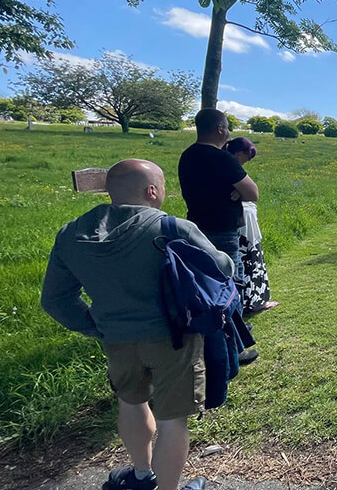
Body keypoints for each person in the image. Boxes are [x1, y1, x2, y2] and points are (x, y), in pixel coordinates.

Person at [42, 159, 220, 490]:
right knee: (173, 418)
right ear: (151, 191)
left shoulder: (70, 234)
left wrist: (96, 325)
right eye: (163, 185)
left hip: (116, 339)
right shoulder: (171, 227)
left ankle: (141, 475)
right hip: (173, 337)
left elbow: (54, 300)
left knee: (131, 401)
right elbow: (220, 265)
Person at [179, 108, 259, 364]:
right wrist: (238, 190)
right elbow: (253, 193)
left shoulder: (187, 156)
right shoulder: (222, 159)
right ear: (221, 130)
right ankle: (234, 347)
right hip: (222, 230)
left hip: (195, 228)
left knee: (208, 285)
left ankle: (231, 331)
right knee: (229, 286)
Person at [225, 137, 279, 314]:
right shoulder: (228, 165)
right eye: (246, 158)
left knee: (248, 259)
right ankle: (251, 301)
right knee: (248, 259)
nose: (246, 162)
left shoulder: (227, 166)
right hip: (240, 222)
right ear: (239, 153)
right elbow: (252, 193)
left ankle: (251, 301)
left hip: (242, 219)